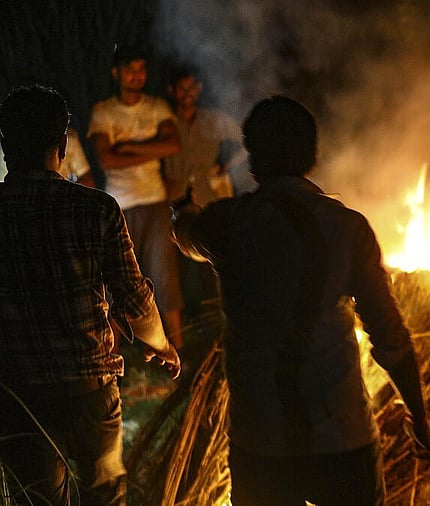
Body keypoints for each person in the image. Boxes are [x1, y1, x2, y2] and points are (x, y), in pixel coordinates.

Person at [172, 95, 430, 505]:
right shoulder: (348, 228)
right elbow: (390, 338)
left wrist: (182, 212)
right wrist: (420, 422)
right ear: (312, 156)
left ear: (253, 159)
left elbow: (188, 235)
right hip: (342, 439)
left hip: (262, 442)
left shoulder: (229, 225)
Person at [0, 84, 180, 506]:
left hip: (17, 397)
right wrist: (163, 347)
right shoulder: (96, 209)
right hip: (90, 394)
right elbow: (135, 301)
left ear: (5, 142)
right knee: (103, 497)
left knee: (36, 501)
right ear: (62, 144)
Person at [88, 45, 184, 348]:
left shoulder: (156, 107)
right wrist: (150, 148)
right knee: (118, 278)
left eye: (141, 70)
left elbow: (173, 144)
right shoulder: (104, 111)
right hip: (119, 203)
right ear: (117, 73)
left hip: (154, 199)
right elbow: (107, 159)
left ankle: (177, 346)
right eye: (130, 70)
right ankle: (112, 352)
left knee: (164, 274)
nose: (137, 76)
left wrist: (128, 148)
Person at [164, 67, 248, 317]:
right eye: (182, 88)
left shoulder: (212, 120)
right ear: (172, 90)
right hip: (176, 202)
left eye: (192, 88)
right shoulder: (164, 122)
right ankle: (193, 317)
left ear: (198, 89)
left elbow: (245, 138)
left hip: (210, 199)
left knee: (214, 259)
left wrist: (227, 165)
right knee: (180, 262)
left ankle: (219, 314)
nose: (187, 93)